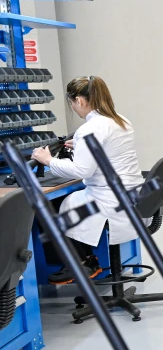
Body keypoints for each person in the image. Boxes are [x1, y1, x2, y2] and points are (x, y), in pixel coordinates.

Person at [30, 76, 145, 283]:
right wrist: (81, 147)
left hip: (108, 200)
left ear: (79, 100)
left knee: (47, 206)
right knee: (64, 201)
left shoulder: (90, 128)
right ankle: (87, 260)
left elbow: (82, 171)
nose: (74, 109)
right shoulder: (120, 120)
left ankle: (79, 263)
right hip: (133, 195)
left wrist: (47, 160)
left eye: (72, 104)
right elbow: (110, 151)